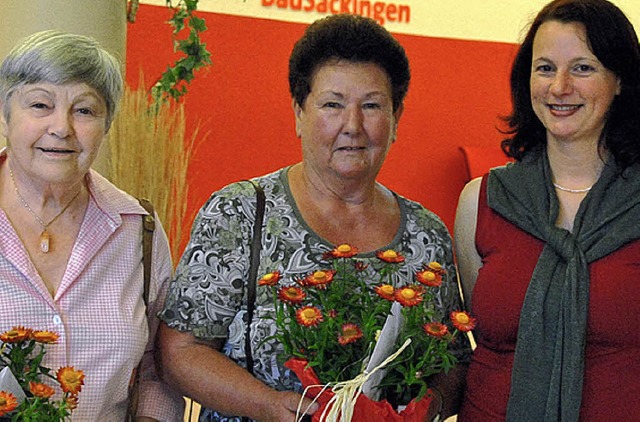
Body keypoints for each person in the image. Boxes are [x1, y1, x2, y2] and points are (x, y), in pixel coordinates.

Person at [159, 13, 471, 422]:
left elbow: (451, 362)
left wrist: (421, 412)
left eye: (372, 106)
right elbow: (181, 352)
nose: (353, 126)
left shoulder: (426, 236)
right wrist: (269, 406)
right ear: (298, 113)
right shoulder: (238, 213)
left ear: (396, 118)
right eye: (332, 105)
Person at [454, 0, 640, 420]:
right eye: (545, 68)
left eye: (582, 68)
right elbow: (474, 341)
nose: (559, 87)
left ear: (620, 80)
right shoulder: (482, 201)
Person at [0, 30, 184, 420]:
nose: (62, 127)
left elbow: (157, 368)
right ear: (5, 114)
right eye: (39, 105)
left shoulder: (137, 228)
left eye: (84, 110)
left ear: (106, 125)